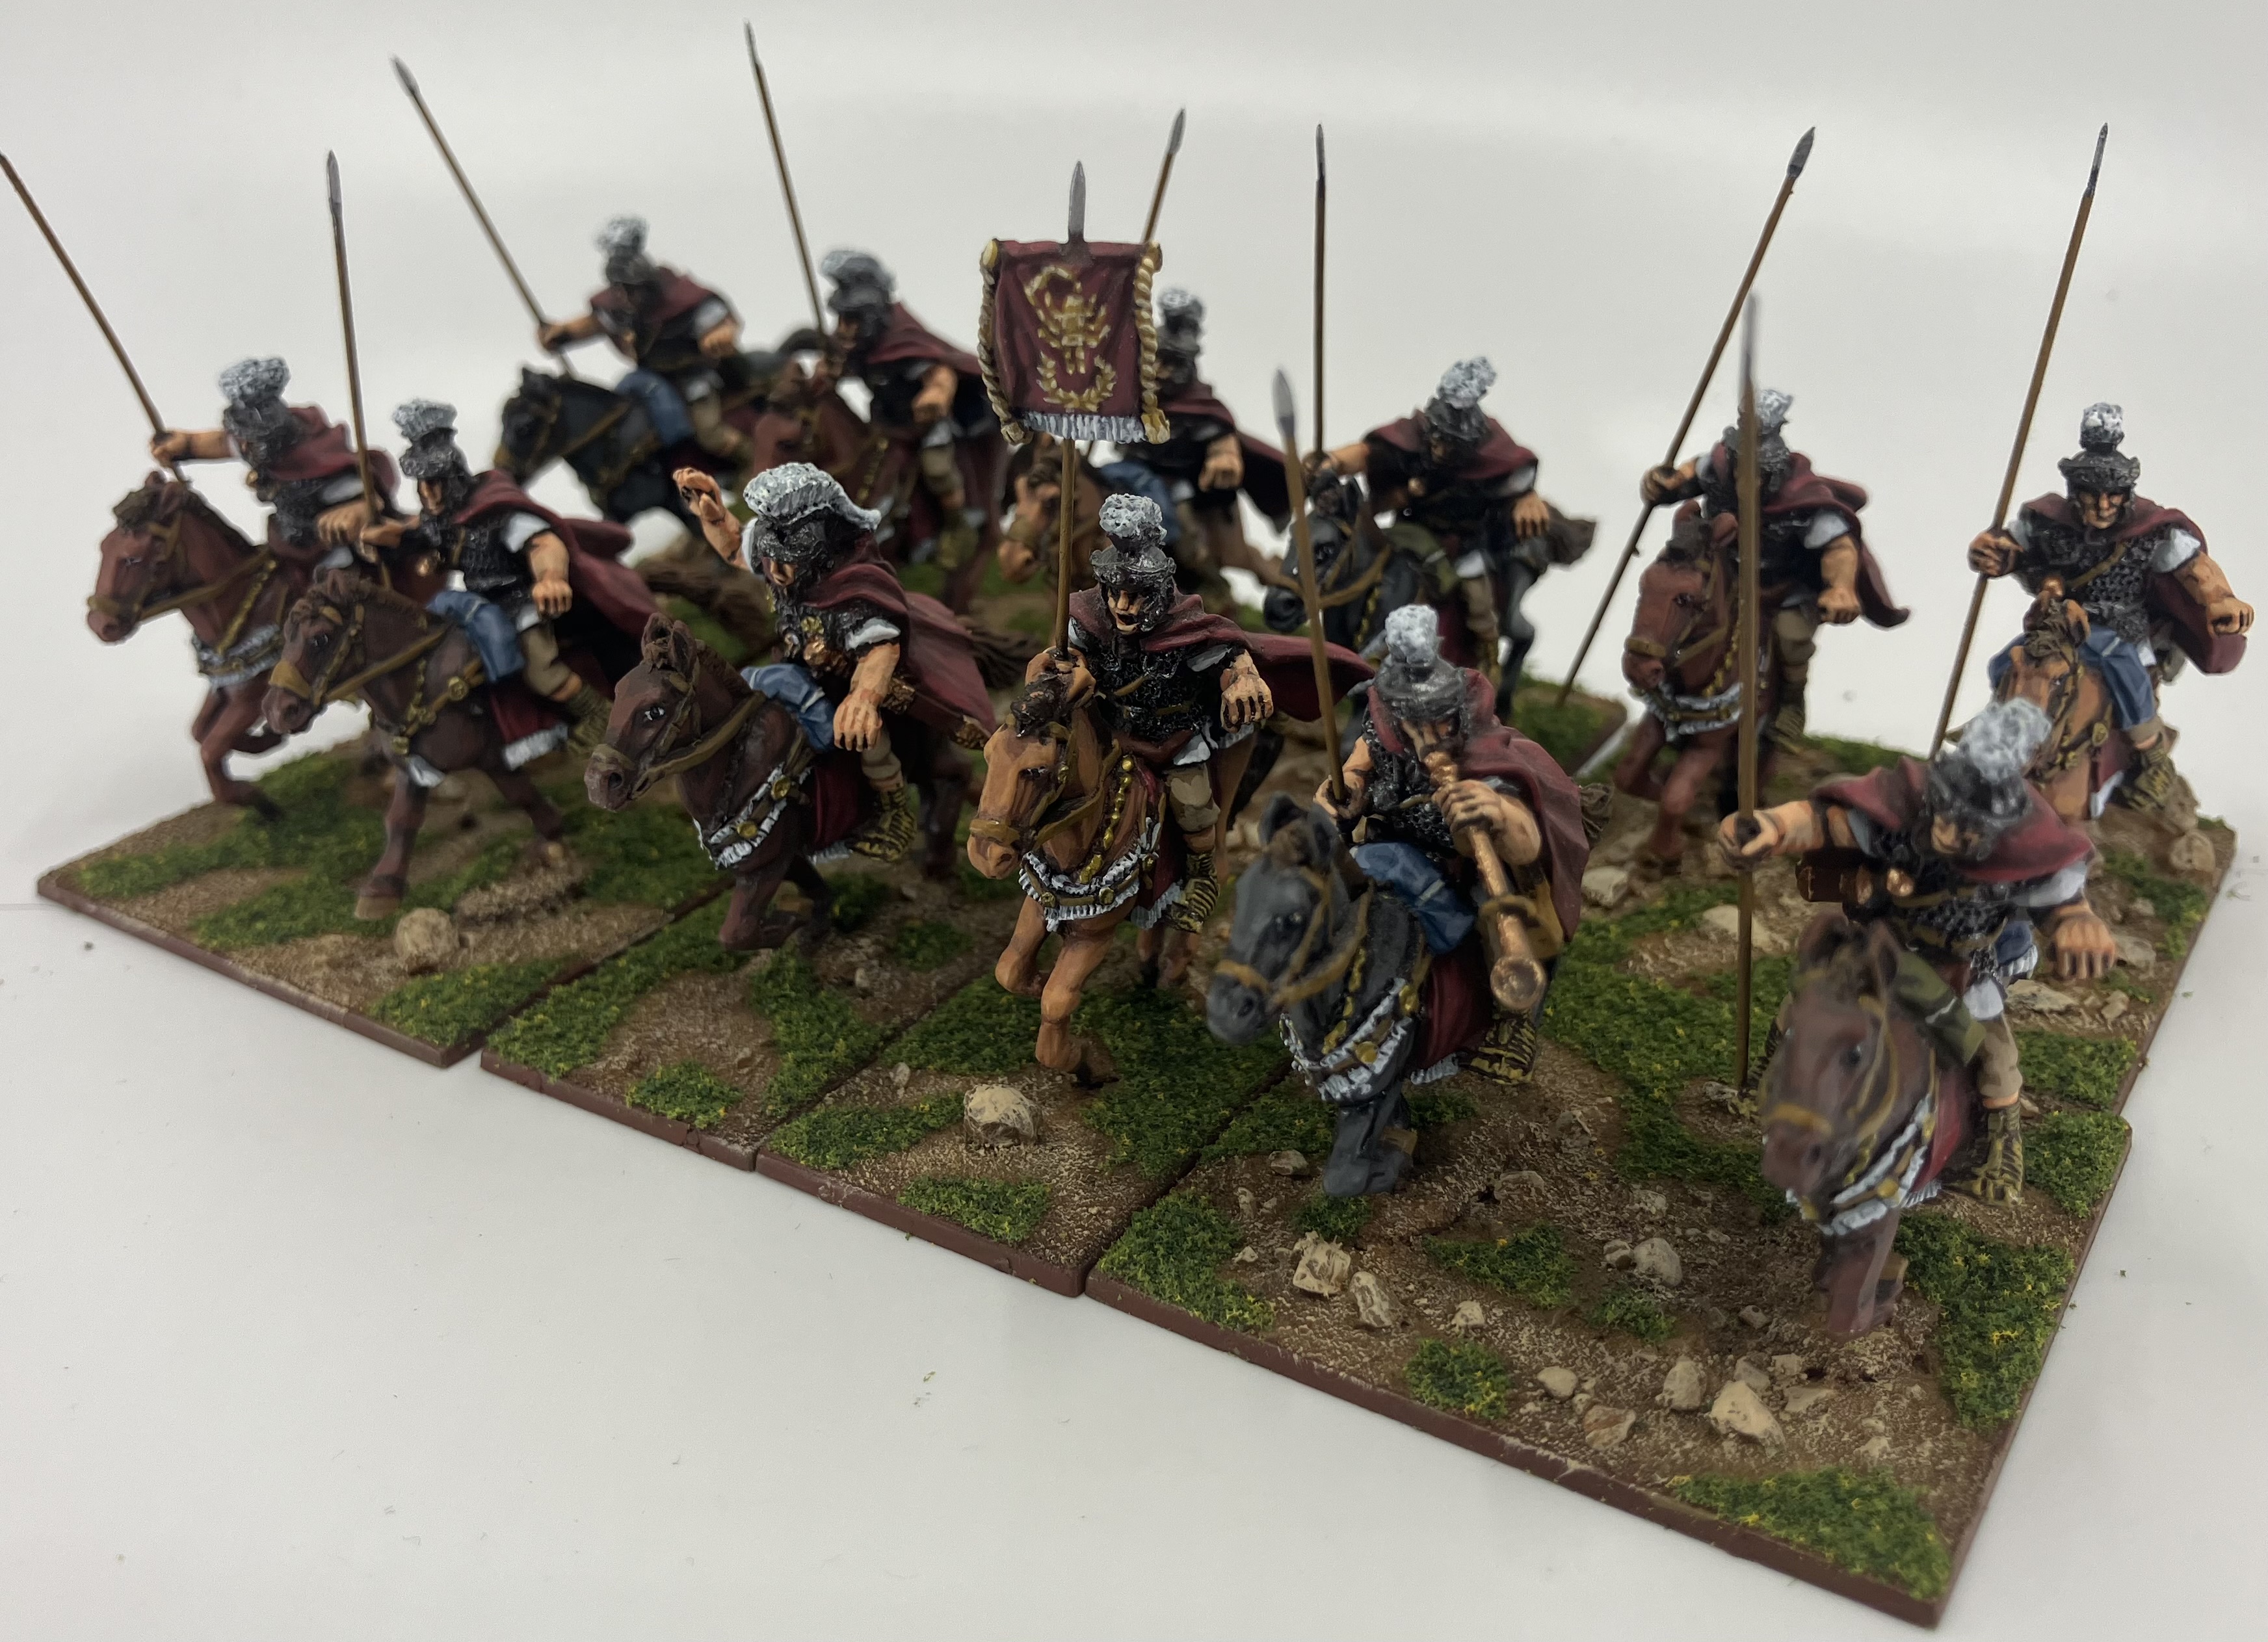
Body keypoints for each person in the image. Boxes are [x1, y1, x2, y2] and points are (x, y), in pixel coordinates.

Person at [1717, 697, 2117, 1203]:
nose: (1950, 834)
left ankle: (2001, 1151)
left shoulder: (2024, 838)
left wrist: (2079, 923)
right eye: (1947, 817)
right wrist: (1774, 826)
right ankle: (1767, 1076)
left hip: (1961, 967)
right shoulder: (1907, 805)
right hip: (1883, 945)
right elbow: (1825, 822)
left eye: (1968, 828)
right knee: (1807, 1003)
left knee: (1993, 1052)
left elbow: (2062, 898)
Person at [1038, 495, 1367, 931]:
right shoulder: (1087, 616)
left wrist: (1243, 677)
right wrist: (1065, 666)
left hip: (1171, 737)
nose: (1123, 606)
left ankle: (1202, 876)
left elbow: (1229, 652)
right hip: (1107, 729)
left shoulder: (1185, 627)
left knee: (1193, 807)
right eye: (1115, 594)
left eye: (1135, 597)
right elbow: (1064, 655)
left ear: (1156, 593)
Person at [1315, 605, 1592, 1077]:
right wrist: (1349, 788)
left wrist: (1497, 811)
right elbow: (1359, 762)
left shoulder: (1482, 752)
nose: (1428, 735)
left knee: (1501, 916)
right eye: (1413, 721)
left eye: (1438, 720)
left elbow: (1527, 839)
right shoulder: (1383, 732)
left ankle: (1516, 1021)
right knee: (1328, 887)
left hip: (1464, 863)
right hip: (1393, 844)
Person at [675, 462, 996, 864]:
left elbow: (881, 649)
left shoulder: (857, 586)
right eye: (772, 557)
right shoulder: (777, 547)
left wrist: (863, 699)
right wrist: (716, 515)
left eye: (787, 560)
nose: (776, 573)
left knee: (869, 741)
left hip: (854, 681)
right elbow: (735, 548)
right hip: (800, 667)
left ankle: (891, 810)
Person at [1970, 402, 2251, 811]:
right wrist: (1990, 552)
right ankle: (1996, 736)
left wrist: (2221, 599)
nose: (2103, 506)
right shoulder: (2047, 521)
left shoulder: (2150, 532)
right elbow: (2011, 546)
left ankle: (2151, 755)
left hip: (2123, 628)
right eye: (2092, 495)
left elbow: (2195, 569)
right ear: (2075, 492)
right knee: (2003, 664)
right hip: (2059, 625)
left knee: (2121, 666)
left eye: (2113, 495)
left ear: (2126, 494)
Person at [362, 400, 652, 753]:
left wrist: (550, 578)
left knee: (541, 672)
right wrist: (382, 537)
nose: (427, 492)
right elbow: (414, 534)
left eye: (434, 482)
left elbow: (542, 542)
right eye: (421, 483)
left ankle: (603, 718)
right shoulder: (439, 519)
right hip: (479, 606)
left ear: (454, 478)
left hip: (521, 598)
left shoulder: (495, 512)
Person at [1641, 387, 1905, 751]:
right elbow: (1688, 474)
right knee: (1676, 603)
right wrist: (1663, 483)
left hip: (1782, 586)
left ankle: (1791, 702)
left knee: (1791, 637)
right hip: (1723, 573)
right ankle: (1662, 678)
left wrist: (1841, 588)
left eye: (1756, 475)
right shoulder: (1719, 465)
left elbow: (1839, 546)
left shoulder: (1802, 496)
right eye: (1739, 471)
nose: (1743, 484)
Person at [1309, 358, 1590, 694]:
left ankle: (1486, 668)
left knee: (1478, 602)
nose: (1441, 450)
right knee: (1366, 565)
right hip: (1411, 533)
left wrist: (1528, 498)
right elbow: (1368, 453)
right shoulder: (1414, 434)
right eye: (1438, 439)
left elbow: (1516, 478)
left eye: (1451, 444)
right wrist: (1331, 463)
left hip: (1467, 544)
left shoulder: (1491, 449)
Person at [817, 248, 1002, 579]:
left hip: (925, 426)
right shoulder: (857, 345)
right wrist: (829, 370)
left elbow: (940, 372)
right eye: (841, 320)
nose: (843, 329)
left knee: (937, 469)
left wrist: (935, 394)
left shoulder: (902, 340)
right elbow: (838, 367)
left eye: (851, 320)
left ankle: (957, 525)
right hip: (885, 425)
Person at [1100, 288, 1287, 608]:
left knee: (1183, 523)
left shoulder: (1200, 407)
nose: (1160, 371)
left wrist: (1224, 457)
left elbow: (1222, 437)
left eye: (1170, 363)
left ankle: (1203, 574)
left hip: (1179, 482)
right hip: (1133, 472)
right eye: (1155, 361)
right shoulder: (1136, 399)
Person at [536, 216, 756, 469]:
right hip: (649, 380)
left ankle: (756, 464)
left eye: (630, 290)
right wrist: (561, 334)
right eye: (618, 289)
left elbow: (718, 320)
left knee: (710, 433)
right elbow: (591, 324)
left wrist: (719, 336)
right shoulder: (618, 308)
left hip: (692, 377)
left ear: (646, 286)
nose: (624, 297)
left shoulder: (682, 301)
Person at [148, 356, 395, 567]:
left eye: (251, 441)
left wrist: (362, 509)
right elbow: (223, 442)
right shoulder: (253, 445)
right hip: (291, 536)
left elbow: (372, 487)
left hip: (333, 540)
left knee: (336, 571)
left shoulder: (313, 455)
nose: (245, 447)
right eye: (244, 441)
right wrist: (187, 445)